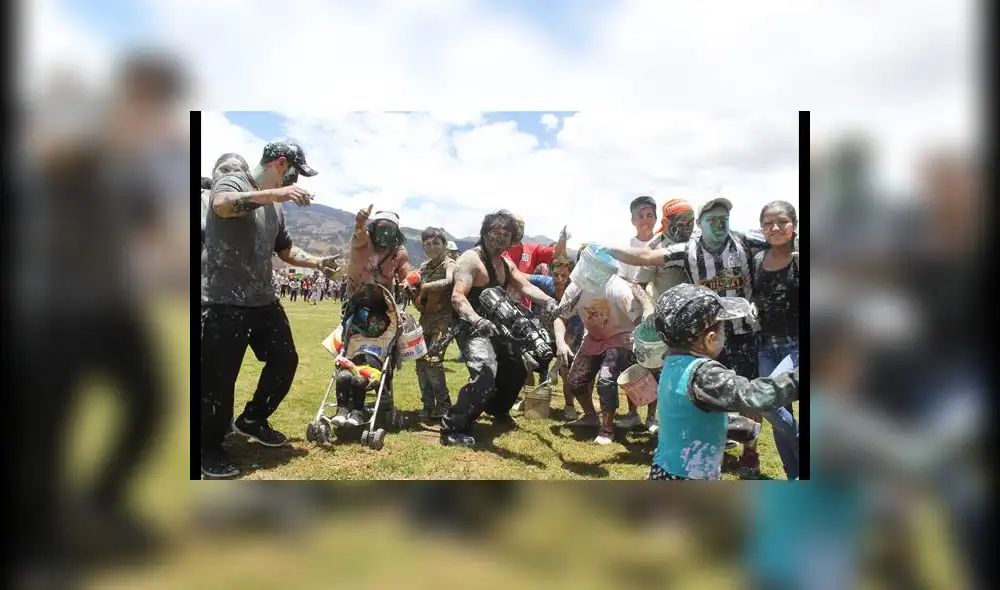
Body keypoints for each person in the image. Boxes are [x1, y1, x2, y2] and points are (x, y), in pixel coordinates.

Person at [600, 197, 772, 476]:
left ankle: (748, 453)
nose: (718, 224)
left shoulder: (741, 240)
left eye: (722, 218)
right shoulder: (677, 248)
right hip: (696, 331)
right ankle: (689, 439)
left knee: (744, 390)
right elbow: (642, 267)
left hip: (740, 331)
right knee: (692, 388)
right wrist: (647, 307)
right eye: (711, 219)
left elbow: (778, 249)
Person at [201, 141, 341, 478]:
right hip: (223, 300)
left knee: (285, 359)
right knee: (218, 380)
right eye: (293, 172)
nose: (293, 179)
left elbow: (287, 249)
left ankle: (252, 418)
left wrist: (319, 261)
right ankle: (207, 448)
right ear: (281, 164)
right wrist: (276, 195)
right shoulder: (234, 181)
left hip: (263, 300)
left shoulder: (275, 208)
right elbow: (222, 206)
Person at [648, 284, 799, 480]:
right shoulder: (704, 374)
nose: (724, 333)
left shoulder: (673, 363)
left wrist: (730, 425)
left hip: (665, 470)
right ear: (711, 339)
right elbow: (755, 395)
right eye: (723, 328)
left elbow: (685, 412)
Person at [441, 210, 558, 447]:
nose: (500, 237)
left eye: (506, 233)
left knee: (516, 367)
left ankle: (497, 410)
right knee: (485, 373)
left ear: (513, 239)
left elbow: (524, 285)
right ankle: (453, 426)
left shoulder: (505, 262)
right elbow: (457, 298)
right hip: (471, 327)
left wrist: (548, 301)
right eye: (496, 231)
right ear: (485, 232)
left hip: (498, 326)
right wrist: (476, 320)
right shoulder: (470, 260)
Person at [555, 269, 643, 445]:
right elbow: (560, 317)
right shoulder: (576, 288)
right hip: (593, 339)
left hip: (620, 338)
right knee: (575, 382)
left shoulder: (618, 288)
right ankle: (590, 416)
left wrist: (639, 345)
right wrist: (561, 343)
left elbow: (638, 319)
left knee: (606, 379)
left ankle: (607, 429)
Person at [753, 201, 800, 480]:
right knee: (776, 409)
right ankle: (794, 475)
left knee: (766, 400)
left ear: (793, 224)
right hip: (766, 344)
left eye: (782, 221)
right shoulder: (758, 259)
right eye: (768, 223)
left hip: (797, 344)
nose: (775, 228)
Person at [615, 196, 660, 432]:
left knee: (657, 364)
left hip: (659, 313)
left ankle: (652, 417)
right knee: (632, 363)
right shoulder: (627, 247)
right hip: (633, 313)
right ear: (633, 220)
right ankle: (632, 414)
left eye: (649, 215)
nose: (645, 220)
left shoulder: (663, 243)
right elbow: (622, 278)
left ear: (656, 218)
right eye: (640, 216)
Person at [526, 257, 585, 420]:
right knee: (528, 361)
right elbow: (518, 276)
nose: (559, 279)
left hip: (570, 336)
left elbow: (573, 328)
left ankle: (569, 405)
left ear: (571, 276)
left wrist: (559, 359)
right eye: (556, 274)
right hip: (545, 334)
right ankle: (531, 401)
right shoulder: (545, 283)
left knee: (566, 370)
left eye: (564, 276)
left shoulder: (577, 292)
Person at [414, 227, 458, 421]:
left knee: (433, 360)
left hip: (443, 320)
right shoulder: (424, 267)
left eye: (435, 243)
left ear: (444, 245)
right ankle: (427, 404)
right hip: (425, 319)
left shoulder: (450, 264)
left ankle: (444, 404)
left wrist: (425, 286)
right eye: (427, 244)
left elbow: (449, 282)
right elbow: (415, 288)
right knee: (420, 362)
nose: (431, 247)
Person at [344, 205, 412, 298]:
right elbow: (359, 231)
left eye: (390, 230)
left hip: (384, 304)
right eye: (382, 229)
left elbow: (406, 276)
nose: (385, 233)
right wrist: (360, 222)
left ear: (396, 234)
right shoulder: (363, 242)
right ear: (373, 229)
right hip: (354, 299)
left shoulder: (398, 252)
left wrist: (408, 282)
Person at [503, 214, 569, 309]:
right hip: (500, 304)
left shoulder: (532, 250)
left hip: (523, 309)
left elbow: (556, 253)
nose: (519, 228)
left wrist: (563, 239)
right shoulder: (499, 250)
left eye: (522, 225)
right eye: (516, 224)